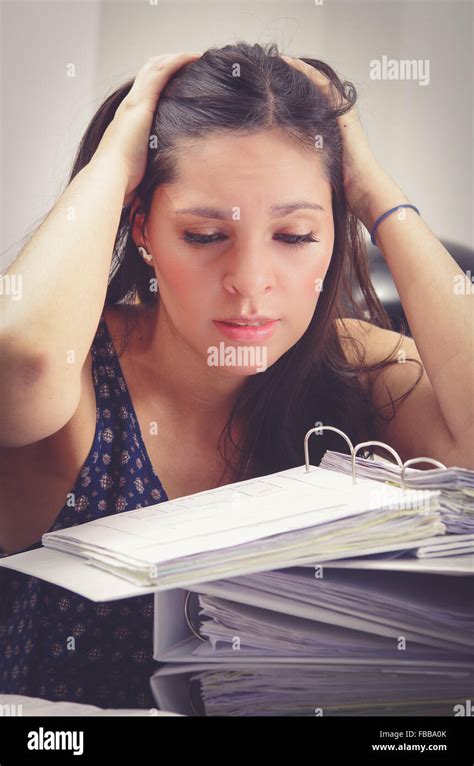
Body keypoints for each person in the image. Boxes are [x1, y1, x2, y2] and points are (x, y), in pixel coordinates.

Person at [0, 42, 471, 709]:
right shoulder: (75, 382)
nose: (251, 284)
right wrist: (115, 159)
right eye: (203, 235)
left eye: (295, 235)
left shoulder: (360, 367)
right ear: (141, 228)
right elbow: (21, 367)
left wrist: (375, 191)